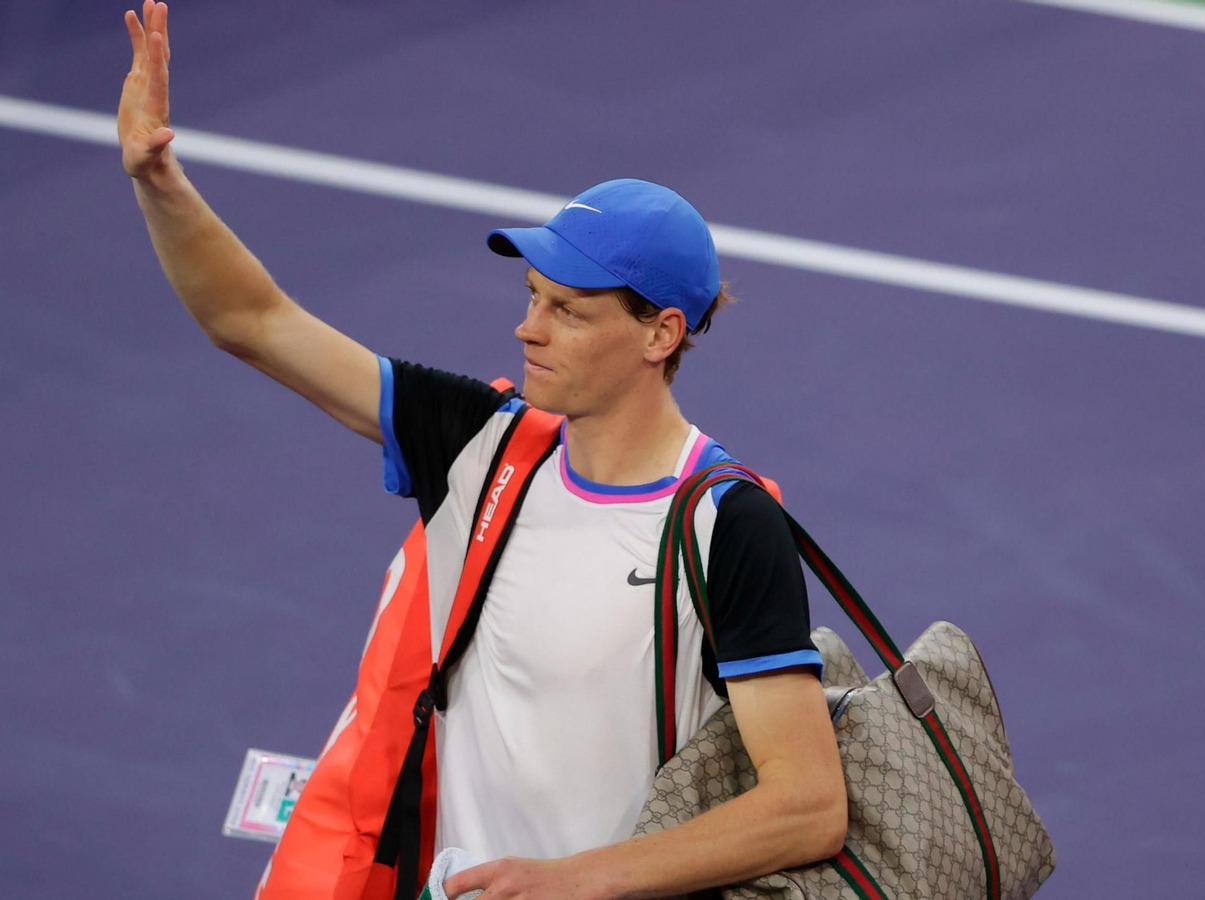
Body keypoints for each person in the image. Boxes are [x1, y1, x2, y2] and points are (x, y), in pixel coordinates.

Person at [118, 3, 848, 897]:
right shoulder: (477, 443)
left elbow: (807, 804)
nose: (528, 328)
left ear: (660, 334)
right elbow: (253, 320)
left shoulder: (727, 525)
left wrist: (574, 880)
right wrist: (160, 181)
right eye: (533, 295)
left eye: (568, 311)